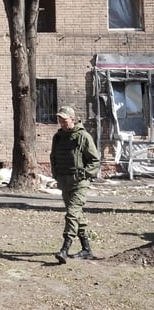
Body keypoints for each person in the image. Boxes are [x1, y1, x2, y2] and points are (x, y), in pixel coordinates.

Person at [50, 106, 101, 264]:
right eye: (60, 120)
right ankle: (86, 249)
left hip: (79, 183)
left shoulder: (83, 136)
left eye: (64, 120)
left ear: (72, 119)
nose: (62, 123)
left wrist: (84, 174)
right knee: (77, 216)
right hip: (64, 182)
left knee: (71, 214)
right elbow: (53, 157)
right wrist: (56, 175)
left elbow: (95, 161)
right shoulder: (58, 137)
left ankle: (64, 249)